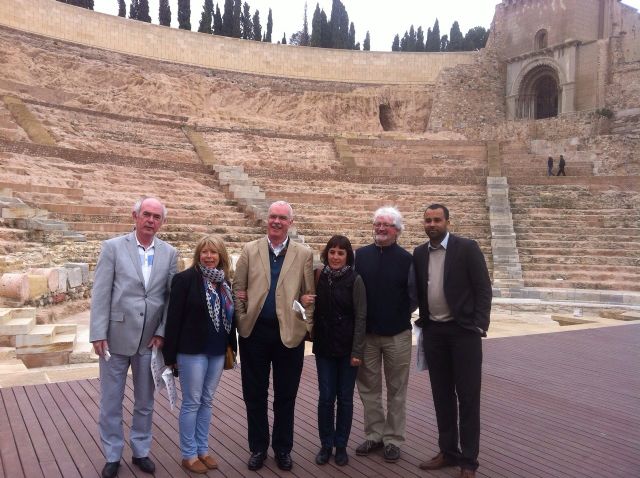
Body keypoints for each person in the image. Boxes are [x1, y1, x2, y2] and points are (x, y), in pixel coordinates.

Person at [89, 196, 178, 478]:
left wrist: (163, 332)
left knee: (145, 401)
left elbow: (169, 298)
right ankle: (113, 454)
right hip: (114, 339)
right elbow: (101, 292)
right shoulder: (113, 247)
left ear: (162, 222)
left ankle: (141, 450)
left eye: (156, 217)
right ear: (135, 216)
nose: (151, 220)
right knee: (111, 401)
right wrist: (97, 333)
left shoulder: (170, 253)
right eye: (146, 215)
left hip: (149, 342)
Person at [233, 200, 315, 472]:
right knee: (254, 394)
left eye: (282, 218)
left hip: (289, 334)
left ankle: (282, 448)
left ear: (291, 222)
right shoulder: (250, 249)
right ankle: (258, 448)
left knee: (286, 395)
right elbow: (238, 288)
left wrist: (305, 324)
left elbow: (309, 295)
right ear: (267, 220)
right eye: (272, 217)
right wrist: (243, 317)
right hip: (255, 333)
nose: (276, 222)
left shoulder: (303, 253)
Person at [413, 204, 492, 478]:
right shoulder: (420, 253)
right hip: (435, 333)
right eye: (428, 220)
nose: (432, 224)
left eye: (437, 220)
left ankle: (468, 461)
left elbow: (483, 287)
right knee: (442, 396)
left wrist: (480, 324)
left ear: (447, 222)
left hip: (464, 334)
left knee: (468, 398)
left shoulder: (466, 248)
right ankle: (448, 451)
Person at [163, 234, 237, 474]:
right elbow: (173, 319)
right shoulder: (185, 280)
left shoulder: (224, 282)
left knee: (207, 400)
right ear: (198, 255)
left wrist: (231, 348)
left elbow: (229, 318)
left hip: (216, 350)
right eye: (204, 252)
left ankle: (203, 450)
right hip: (191, 351)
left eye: (213, 252)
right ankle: (188, 454)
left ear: (221, 256)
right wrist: (170, 355)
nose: (209, 256)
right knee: (192, 402)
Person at [353, 206, 416, 464]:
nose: (380, 229)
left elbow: (413, 296)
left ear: (397, 230)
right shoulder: (360, 255)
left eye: (386, 225)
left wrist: (397, 314)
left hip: (397, 335)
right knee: (368, 388)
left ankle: (393, 439)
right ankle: (374, 434)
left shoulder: (407, 259)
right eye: (377, 224)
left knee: (397, 389)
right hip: (367, 335)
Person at [312, 235, 367, 467]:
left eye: (341, 253)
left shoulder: (355, 280)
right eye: (332, 252)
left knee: (345, 399)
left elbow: (361, 316)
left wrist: (357, 351)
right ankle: (326, 444)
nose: (335, 257)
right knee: (326, 398)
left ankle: (341, 445)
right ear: (327, 254)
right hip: (324, 347)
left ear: (348, 256)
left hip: (347, 350)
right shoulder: (319, 276)